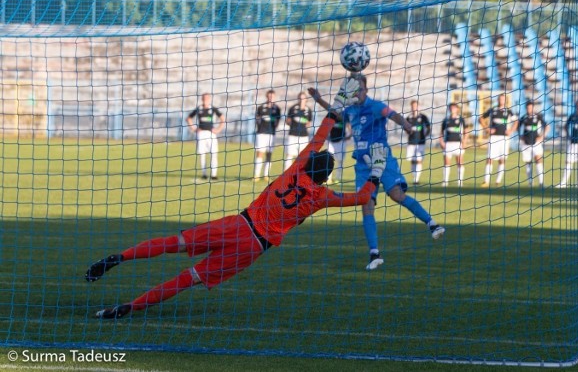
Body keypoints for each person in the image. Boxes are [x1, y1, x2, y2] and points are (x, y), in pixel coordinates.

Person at [86, 83, 387, 320]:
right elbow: (362, 197)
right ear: (324, 179)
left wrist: (336, 105)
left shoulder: (295, 168)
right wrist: (376, 170)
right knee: (189, 278)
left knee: (173, 242)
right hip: (253, 246)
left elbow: (318, 138)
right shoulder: (321, 197)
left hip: (237, 223)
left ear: (308, 164)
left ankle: (120, 257)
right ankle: (130, 307)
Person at [309, 74, 445, 271]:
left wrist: (406, 125)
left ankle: (432, 224)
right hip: (363, 165)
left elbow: (392, 114)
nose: (358, 92)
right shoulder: (351, 110)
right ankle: (374, 254)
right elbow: (335, 114)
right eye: (354, 89)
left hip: (382, 158)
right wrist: (319, 99)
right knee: (366, 204)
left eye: (361, 89)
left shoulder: (375, 105)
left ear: (366, 90)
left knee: (396, 195)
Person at [479, 93, 519, 187]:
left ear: (505, 101)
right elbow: (480, 118)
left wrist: (511, 130)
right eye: (500, 99)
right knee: (489, 158)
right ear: (498, 100)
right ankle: (486, 181)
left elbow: (516, 121)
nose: (501, 100)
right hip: (493, 137)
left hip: (504, 138)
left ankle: (498, 181)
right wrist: (486, 128)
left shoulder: (509, 111)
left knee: (502, 159)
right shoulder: (492, 110)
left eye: (503, 99)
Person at [186, 93, 226, 181]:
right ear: (202, 99)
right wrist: (194, 128)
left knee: (214, 153)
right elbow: (188, 118)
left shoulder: (213, 109)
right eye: (204, 98)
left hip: (211, 134)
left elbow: (223, 118)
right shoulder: (199, 109)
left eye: (207, 98)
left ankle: (214, 174)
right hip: (201, 134)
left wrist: (218, 129)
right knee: (202, 154)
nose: (205, 100)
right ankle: (204, 174)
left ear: (210, 99)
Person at [519, 99, 549, 187]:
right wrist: (520, 136)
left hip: (536, 143)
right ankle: (530, 183)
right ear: (526, 108)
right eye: (528, 108)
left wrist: (542, 136)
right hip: (526, 143)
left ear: (533, 107)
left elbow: (547, 127)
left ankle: (541, 182)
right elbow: (517, 127)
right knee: (528, 162)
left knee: (538, 159)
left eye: (531, 107)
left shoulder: (538, 116)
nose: (529, 109)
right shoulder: (523, 118)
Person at [254, 89, 282, 181]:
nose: (271, 98)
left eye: (272, 96)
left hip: (271, 134)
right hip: (261, 133)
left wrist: (275, 125)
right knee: (260, 153)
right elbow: (257, 119)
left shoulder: (277, 109)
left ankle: (266, 175)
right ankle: (256, 175)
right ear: (267, 97)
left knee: (269, 154)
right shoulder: (261, 107)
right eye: (269, 96)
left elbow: (278, 120)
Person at [439, 102, 468, 187]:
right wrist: (441, 141)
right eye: (451, 108)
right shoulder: (446, 120)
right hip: (448, 144)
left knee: (459, 162)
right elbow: (441, 132)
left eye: (454, 108)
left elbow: (466, 131)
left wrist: (464, 142)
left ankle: (460, 181)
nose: (452, 109)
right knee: (446, 163)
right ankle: (445, 181)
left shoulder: (461, 119)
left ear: (457, 109)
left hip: (458, 143)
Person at [284, 92, 313, 170]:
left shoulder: (308, 110)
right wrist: (289, 122)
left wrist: (305, 124)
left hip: (303, 136)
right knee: (289, 155)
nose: (301, 100)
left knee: (303, 157)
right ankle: (286, 174)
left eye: (303, 98)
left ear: (306, 100)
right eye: (300, 98)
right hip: (293, 135)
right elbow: (288, 120)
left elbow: (309, 123)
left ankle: (299, 173)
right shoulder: (293, 108)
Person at [405, 100, 431, 185]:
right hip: (411, 142)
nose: (414, 108)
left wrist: (426, 134)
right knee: (412, 160)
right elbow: (405, 128)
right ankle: (414, 177)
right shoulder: (408, 118)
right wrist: (409, 131)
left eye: (416, 106)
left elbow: (428, 127)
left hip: (421, 142)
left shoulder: (423, 117)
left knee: (419, 160)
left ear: (418, 107)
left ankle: (417, 179)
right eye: (413, 106)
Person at [326, 119, 351, 185]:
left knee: (340, 161)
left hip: (341, 141)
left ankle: (338, 178)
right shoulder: (331, 116)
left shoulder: (344, 117)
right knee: (328, 160)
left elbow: (348, 125)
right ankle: (328, 178)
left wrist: (350, 134)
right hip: (331, 141)